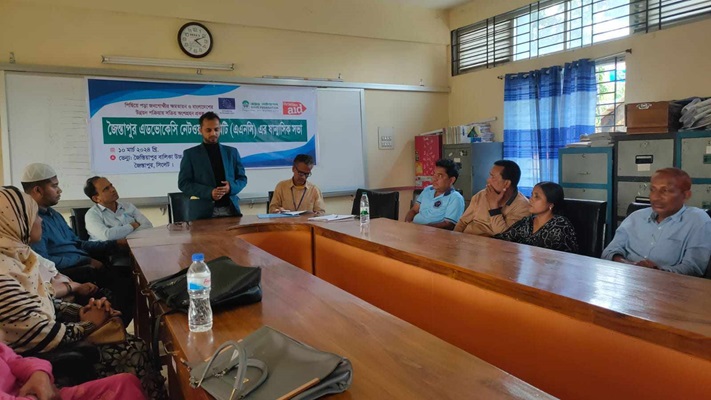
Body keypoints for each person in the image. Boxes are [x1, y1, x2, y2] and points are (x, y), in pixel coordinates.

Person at [0, 186, 166, 399]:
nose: (40, 220)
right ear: (14, 222)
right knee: (132, 350)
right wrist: (89, 324)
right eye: (33, 216)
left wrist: (80, 312)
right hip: (39, 355)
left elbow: (43, 302)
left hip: (48, 339)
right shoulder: (5, 273)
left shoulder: (21, 258)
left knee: (130, 338)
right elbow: (39, 335)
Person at [21, 163, 134, 324]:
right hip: (72, 273)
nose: (60, 190)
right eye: (54, 186)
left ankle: (116, 329)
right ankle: (109, 330)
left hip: (84, 265)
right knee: (125, 286)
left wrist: (114, 244)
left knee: (129, 277)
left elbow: (78, 244)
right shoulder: (32, 220)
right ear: (38, 190)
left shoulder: (54, 214)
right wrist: (84, 260)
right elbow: (43, 263)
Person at [602, 168, 711, 276]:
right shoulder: (636, 217)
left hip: (668, 283)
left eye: (665, 190)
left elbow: (693, 268)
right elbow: (608, 252)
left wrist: (656, 272)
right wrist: (631, 265)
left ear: (686, 195)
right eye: (652, 190)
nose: (656, 197)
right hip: (626, 277)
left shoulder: (698, 220)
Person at [0, 341, 146, 400]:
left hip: (39, 391)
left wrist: (38, 373)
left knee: (125, 382)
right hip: (34, 396)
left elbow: (14, 359)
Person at [178, 111, 248, 219]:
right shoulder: (191, 154)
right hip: (203, 213)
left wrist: (230, 187)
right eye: (208, 130)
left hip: (230, 211)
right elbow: (183, 183)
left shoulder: (231, 152)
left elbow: (242, 179)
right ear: (200, 130)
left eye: (216, 129)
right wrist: (209, 192)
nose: (213, 133)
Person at [494, 182, 578, 253]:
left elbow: (559, 258)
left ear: (551, 204)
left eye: (537, 197)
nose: (531, 199)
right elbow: (503, 239)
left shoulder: (560, 225)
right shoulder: (527, 222)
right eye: (532, 195)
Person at [454, 160, 530, 236]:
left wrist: (494, 208)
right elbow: (462, 222)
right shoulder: (481, 195)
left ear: (506, 183)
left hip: (490, 242)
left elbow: (505, 237)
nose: (488, 180)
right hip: (466, 239)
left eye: (493, 177)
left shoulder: (523, 206)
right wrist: (454, 239)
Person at [83, 176, 153, 241]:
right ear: (96, 198)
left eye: (111, 185)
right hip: (109, 250)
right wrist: (132, 226)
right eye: (106, 189)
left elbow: (148, 226)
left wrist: (127, 239)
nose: (113, 189)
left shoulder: (128, 206)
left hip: (136, 245)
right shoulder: (92, 215)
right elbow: (107, 236)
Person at [405, 159, 464, 230]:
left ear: (451, 180)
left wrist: (421, 228)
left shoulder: (455, 198)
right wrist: (407, 224)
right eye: (434, 174)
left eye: (440, 176)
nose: (434, 179)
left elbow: (449, 224)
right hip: (414, 229)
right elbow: (414, 210)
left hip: (434, 234)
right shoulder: (427, 190)